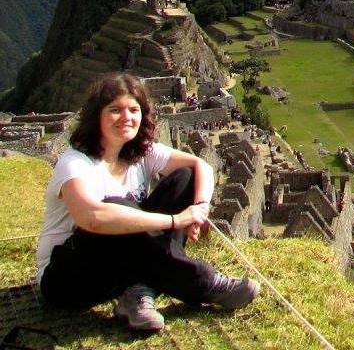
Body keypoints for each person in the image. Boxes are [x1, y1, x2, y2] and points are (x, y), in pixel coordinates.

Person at [36, 72, 260, 333]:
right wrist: (176, 221)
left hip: (121, 264)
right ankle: (205, 283)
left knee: (184, 178)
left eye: (133, 109)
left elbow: (199, 166)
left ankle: (138, 291)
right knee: (116, 205)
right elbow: (92, 218)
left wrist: (199, 208)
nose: (126, 117)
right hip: (68, 279)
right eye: (115, 110)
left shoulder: (140, 152)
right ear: (96, 115)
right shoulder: (75, 163)